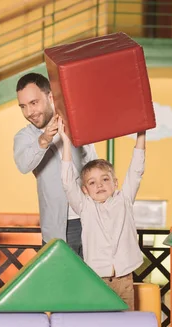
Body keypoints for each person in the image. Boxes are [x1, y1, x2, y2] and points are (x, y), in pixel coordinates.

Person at [59, 117, 146, 311]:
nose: (99, 185)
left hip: (125, 279)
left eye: (105, 179)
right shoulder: (85, 207)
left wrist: (141, 133)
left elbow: (136, 170)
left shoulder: (124, 200)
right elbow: (67, 182)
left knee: (126, 326)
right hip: (98, 280)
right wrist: (65, 141)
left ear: (115, 183)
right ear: (85, 190)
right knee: (101, 326)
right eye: (92, 182)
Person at [13, 72, 97, 257]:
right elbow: (23, 164)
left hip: (91, 219)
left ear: (50, 97)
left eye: (34, 103)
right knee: (60, 284)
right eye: (23, 106)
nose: (29, 113)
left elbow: (92, 166)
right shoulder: (24, 137)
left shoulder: (76, 125)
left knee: (93, 283)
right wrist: (45, 139)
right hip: (57, 228)